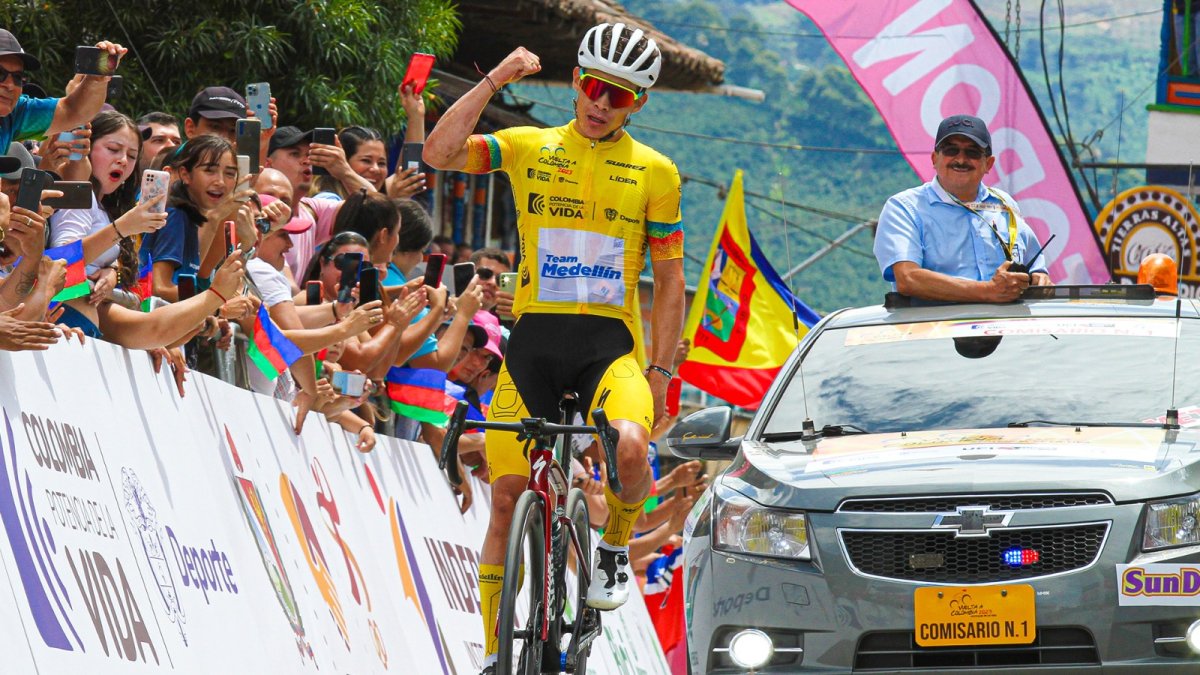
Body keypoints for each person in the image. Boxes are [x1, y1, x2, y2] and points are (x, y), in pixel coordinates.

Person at [424, 22, 685, 672]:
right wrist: (499, 77)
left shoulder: (656, 172)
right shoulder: (529, 145)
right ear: (576, 82)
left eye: (618, 97)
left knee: (629, 445)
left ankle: (613, 546)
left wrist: (657, 370)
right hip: (535, 344)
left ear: (638, 104)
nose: (601, 103)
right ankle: (491, 651)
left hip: (611, 348)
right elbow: (438, 151)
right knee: (507, 497)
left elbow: (673, 279)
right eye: (594, 87)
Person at [873, 114, 1050, 303]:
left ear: (988, 164)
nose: (961, 159)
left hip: (1005, 327)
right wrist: (987, 291)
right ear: (934, 159)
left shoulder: (1004, 205)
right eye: (951, 150)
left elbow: (1035, 267)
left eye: (972, 152)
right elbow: (908, 279)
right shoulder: (905, 208)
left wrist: (1038, 278)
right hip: (933, 330)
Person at [48, 110, 168, 335]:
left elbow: (97, 256)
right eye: (113, 149)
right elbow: (62, 260)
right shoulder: (79, 194)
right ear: (88, 148)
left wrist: (114, 272)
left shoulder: (105, 207)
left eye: (132, 156)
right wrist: (122, 228)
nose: (123, 160)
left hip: (83, 328)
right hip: (63, 321)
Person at [0, 30, 124, 150]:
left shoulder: (15, 114)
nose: (10, 85)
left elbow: (73, 112)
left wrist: (97, 77)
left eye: (18, 77)